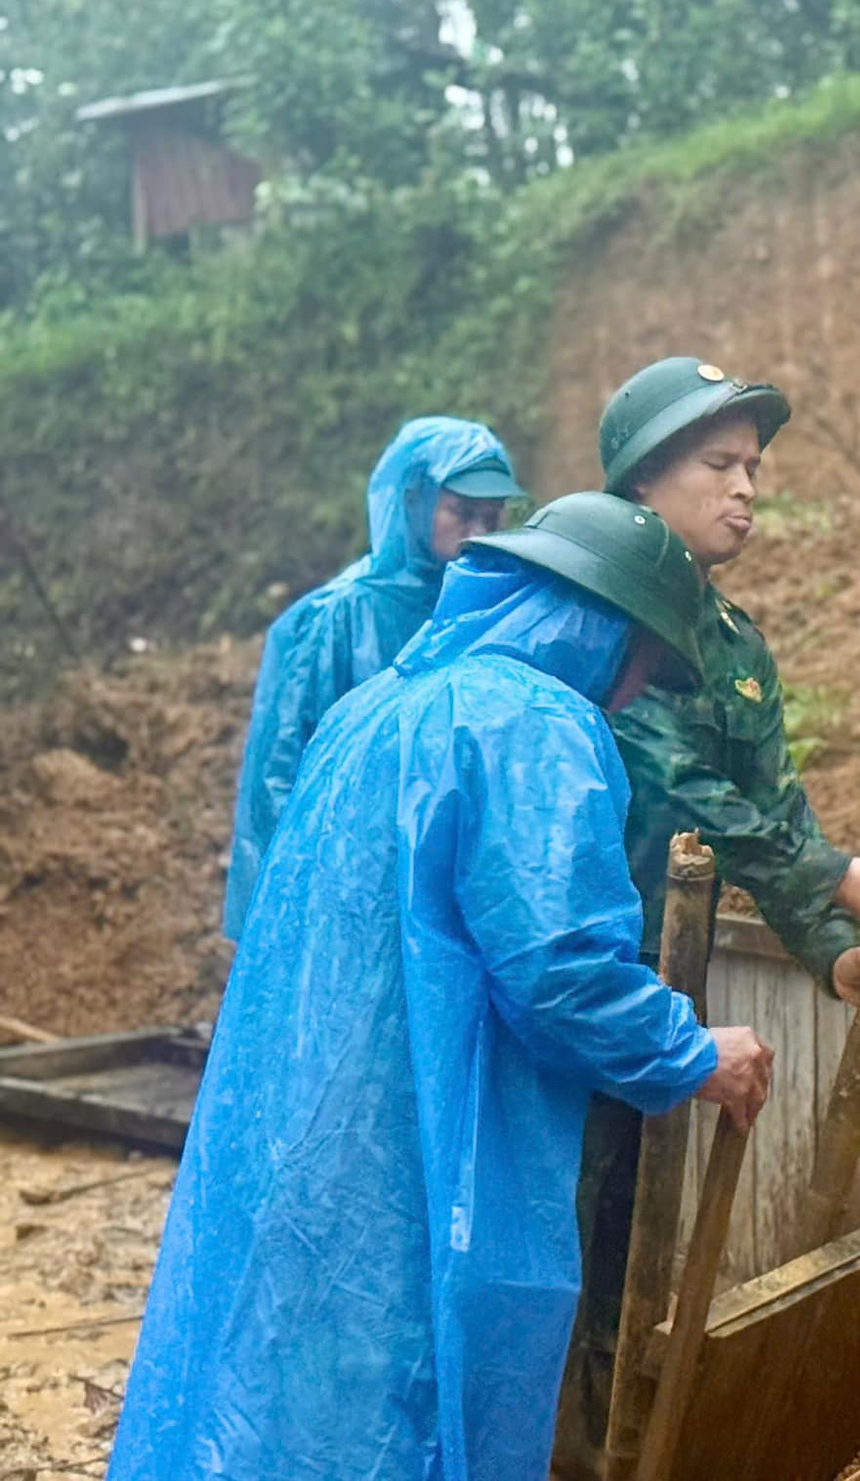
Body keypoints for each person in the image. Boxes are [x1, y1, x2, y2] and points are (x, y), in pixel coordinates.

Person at [111, 492, 776, 1481]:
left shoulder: (371, 709)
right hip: (414, 1148)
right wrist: (689, 1053)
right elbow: (558, 971)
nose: (631, 696)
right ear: (603, 627)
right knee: (401, 1398)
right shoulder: (534, 723)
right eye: (639, 667)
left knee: (270, 1385)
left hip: (299, 1131)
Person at [554, 359, 860, 1446]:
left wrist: (832, 947)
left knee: (633, 1242)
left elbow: (769, 800)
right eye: (718, 465)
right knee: (553, 1241)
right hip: (558, 975)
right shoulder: (587, 617)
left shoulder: (733, 647)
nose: (745, 489)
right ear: (642, 482)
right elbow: (670, 776)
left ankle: (615, 1455)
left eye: (754, 468)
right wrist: (835, 876)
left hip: (656, 991)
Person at [222, 415, 527, 937]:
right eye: (461, 512)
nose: (478, 532)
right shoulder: (340, 616)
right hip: (357, 870)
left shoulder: (492, 607)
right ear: (413, 500)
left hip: (453, 874)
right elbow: (283, 767)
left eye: (491, 515)